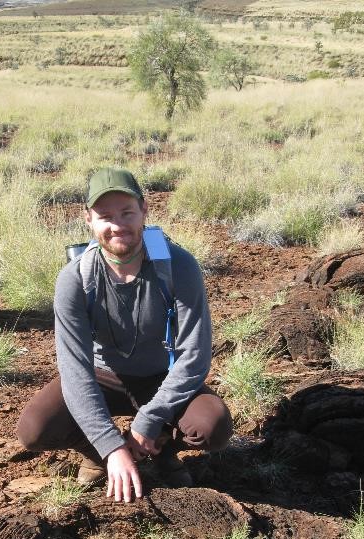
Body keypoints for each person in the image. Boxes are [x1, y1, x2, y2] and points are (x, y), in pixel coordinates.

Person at [17, 167, 232, 503]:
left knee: (212, 426)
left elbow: (195, 356)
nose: (118, 225)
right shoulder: (75, 278)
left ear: (144, 210)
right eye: (105, 216)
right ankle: (100, 453)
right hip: (104, 377)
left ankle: (159, 449)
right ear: (88, 220)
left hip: (163, 375)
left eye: (127, 212)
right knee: (34, 430)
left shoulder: (177, 264)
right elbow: (75, 371)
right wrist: (109, 445)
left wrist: (149, 421)